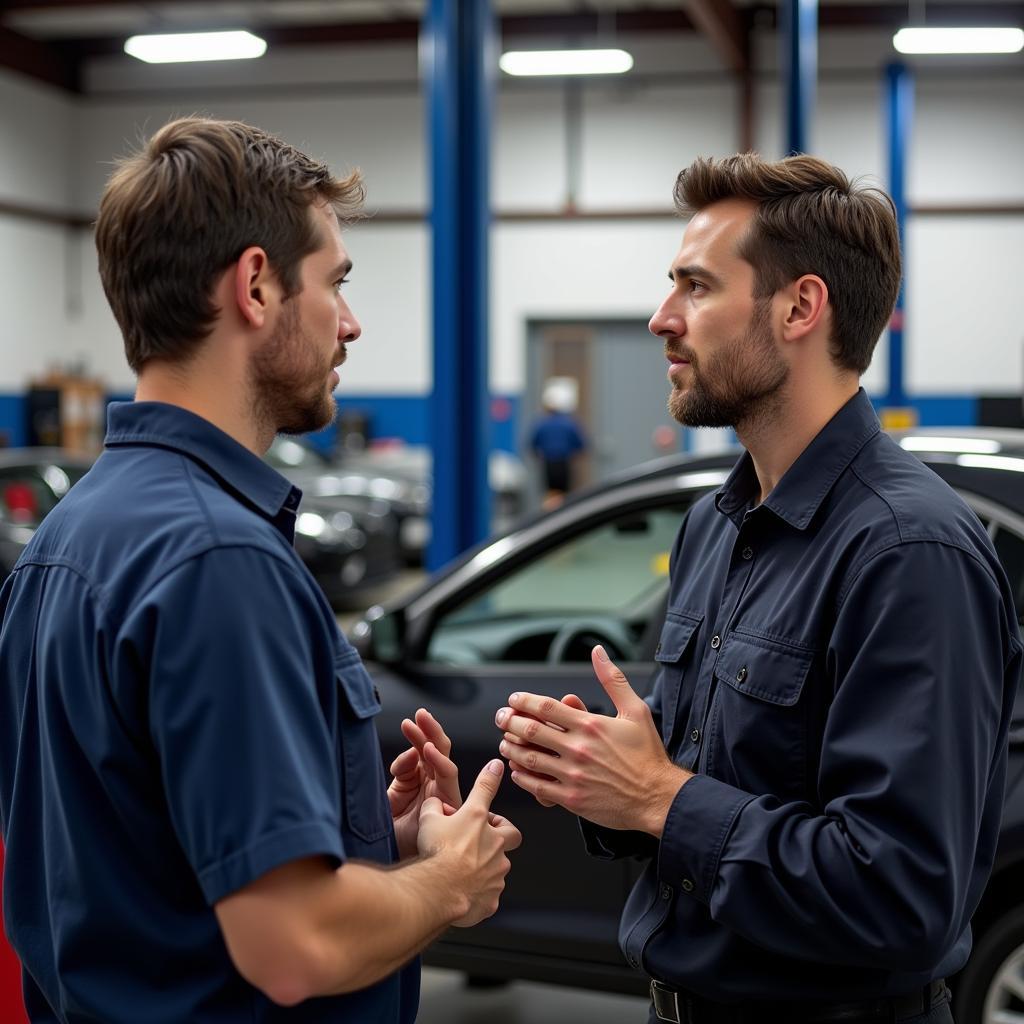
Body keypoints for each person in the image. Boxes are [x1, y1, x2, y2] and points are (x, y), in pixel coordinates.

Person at [0, 117, 520, 1024]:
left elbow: (136, 864)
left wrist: (361, 838)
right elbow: (294, 946)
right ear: (254, 285)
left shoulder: (69, 537)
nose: (350, 324)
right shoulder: (219, 561)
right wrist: (447, 879)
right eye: (336, 285)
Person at [495, 153, 1021, 1023]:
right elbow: (695, 792)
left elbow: (903, 899)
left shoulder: (908, 552)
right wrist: (602, 777)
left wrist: (663, 799)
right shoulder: (715, 525)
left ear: (800, 308)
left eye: (696, 288)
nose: (663, 318)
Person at [529, 378, 587, 509]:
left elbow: (533, 445)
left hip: (548, 464)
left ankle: (551, 518)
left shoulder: (542, 423)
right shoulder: (570, 424)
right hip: (564, 464)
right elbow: (582, 446)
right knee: (566, 498)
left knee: (550, 496)